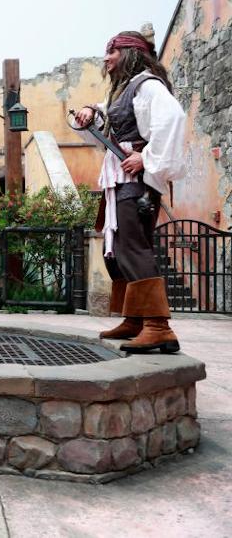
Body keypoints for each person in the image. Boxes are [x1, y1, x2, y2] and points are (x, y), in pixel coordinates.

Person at [73, 28, 186, 353]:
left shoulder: (148, 85)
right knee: (121, 249)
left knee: (134, 248)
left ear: (131, 54)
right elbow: (110, 118)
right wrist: (92, 112)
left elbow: (173, 119)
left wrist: (146, 158)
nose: (106, 58)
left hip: (135, 181)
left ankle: (158, 326)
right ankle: (135, 319)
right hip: (121, 180)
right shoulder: (124, 92)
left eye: (113, 51)